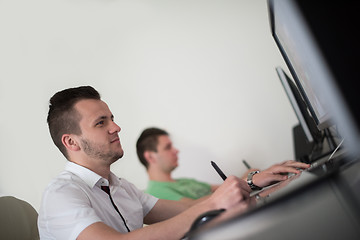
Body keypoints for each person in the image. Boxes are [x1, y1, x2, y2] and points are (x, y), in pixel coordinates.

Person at [38, 86, 252, 240]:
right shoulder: (61, 194)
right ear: (71, 142)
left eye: (112, 118)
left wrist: (252, 184)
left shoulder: (122, 187)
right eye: (101, 123)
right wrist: (215, 204)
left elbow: (186, 209)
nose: (116, 127)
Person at [136, 127, 310, 205]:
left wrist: (252, 176)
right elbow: (194, 209)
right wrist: (250, 180)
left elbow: (222, 189)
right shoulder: (156, 193)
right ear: (150, 156)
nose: (176, 151)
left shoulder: (181, 182)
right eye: (168, 147)